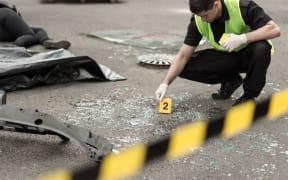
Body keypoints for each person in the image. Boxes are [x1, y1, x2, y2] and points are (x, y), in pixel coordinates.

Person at [155, 0, 281, 106]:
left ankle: (248, 97)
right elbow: (183, 55)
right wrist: (165, 83)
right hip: (227, 57)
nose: (203, 20)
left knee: (261, 48)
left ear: (216, 4)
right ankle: (230, 81)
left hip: (250, 56)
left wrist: (242, 38)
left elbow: (274, 29)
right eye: (200, 16)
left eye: (205, 15)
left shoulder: (241, 6)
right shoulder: (198, 20)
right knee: (181, 66)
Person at [0, 1, 70, 49]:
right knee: (31, 34)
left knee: (37, 30)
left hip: (4, 27)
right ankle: (17, 45)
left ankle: (46, 41)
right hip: (6, 14)